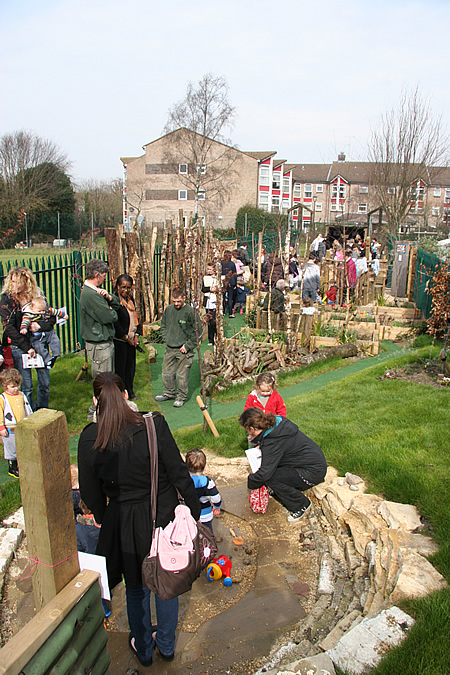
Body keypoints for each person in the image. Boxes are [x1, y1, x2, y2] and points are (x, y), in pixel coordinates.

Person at [78, 372, 200, 667]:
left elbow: (90, 492)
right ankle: (167, 645)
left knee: (136, 587)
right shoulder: (153, 424)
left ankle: (143, 648)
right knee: (166, 582)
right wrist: (193, 514)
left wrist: (107, 518)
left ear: (96, 402)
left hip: (126, 521)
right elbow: (177, 472)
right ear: (125, 395)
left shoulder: (90, 437)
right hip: (163, 515)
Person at [238, 408, 327, 522]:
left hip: (312, 473)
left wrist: (251, 481)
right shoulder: (277, 426)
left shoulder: (272, 441)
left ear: (252, 428)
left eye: (247, 430)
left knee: (271, 478)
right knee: (273, 471)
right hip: (315, 464)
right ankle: (282, 490)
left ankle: (301, 505)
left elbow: (265, 474)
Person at [0, 267, 55, 410]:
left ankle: (43, 411)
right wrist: (27, 348)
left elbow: (50, 318)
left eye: (17, 282)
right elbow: (9, 327)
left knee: (45, 384)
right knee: (27, 386)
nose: (13, 285)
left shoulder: (37, 296)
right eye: (12, 282)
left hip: (39, 344)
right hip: (20, 346)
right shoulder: (7, 299)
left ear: (26, 282)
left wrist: (39, 327)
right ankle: (30, 413)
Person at [80, 259, 120, 421]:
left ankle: (103, 410)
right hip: (99, 344)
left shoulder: (95, 291)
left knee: (107, 379)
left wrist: (109, 298)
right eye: (104, 276)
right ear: (97, 275)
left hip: (102, 342)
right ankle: (95, 412)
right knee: (104, 381)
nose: (105, 279)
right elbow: (110, 316)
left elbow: (116, 306)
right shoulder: (90, 295)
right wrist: (111, 311)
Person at [155, 288, 202, 407]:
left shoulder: (190, 311)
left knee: (182, 375)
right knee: (167, 372)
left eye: (179, 301)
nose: (176, 304)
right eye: (174, 301)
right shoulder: (168, 310)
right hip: (170, 348)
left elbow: (198, 331)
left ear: (184, 299)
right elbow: (163, 325)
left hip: (184, 350)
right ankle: (168, 393)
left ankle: (181, 397)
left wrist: (188, 345)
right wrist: (166, 338)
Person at [113, 274, 142, 401]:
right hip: (120, 340)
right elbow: (115, 323)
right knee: (120, 369)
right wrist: (126, 338)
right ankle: (120, 394)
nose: (126, 290)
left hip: (131, 340)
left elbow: (136, 319)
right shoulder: (115, 301)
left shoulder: (131, 300)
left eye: (128, 288)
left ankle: (130, 392)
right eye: (123, 287)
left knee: (130, 368)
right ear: (118, 286)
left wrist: (136, 335)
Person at [0, 368, 33, 478]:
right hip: (10, 428)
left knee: (22, 446)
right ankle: (12, 467)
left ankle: (21, 464)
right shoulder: (3, 398)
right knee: (11, 448)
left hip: (22, 426)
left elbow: (27, 407)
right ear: (5, 386)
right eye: (12, 387)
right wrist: (1, 427)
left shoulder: (21, 395)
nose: (16, 389)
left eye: (17, 386)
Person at [19, 296, 68, 369]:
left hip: (48, 332)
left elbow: (56, 312)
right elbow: (25, 322)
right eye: (39, 311)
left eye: (43, 311)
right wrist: (24, 329)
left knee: (55, 341)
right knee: (39, 347)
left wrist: (63, 315)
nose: (42, 313)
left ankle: (56, 354)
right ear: (32, 309)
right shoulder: (29, 314)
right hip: (37, 336)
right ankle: (48, 360)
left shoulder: (47, 311)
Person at [185, 448, 222, 533]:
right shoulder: (208, 483)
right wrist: (217, 506)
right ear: (205, 467)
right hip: (205, 515)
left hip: (188, 515)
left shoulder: (184, 482)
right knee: (207, 534)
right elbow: (216, 497)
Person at [201, 264, 218, 346]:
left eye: (211, 269)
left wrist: (216, 289)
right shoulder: (205, 278)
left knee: (215, 320)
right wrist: (210, 289)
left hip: (215, 301)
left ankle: (217, 337)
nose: (209, 271)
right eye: (208, 269)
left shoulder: (218, 278)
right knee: (210, 321)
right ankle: (210, 340)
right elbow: (203, 289)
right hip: (208, 301)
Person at [221, 251, 237, 317]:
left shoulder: (221, 263)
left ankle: (223, 311)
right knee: (230, 298)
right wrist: (235, 284)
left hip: (223, 281)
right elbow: (234, 274)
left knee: (223, 297)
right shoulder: (232, 264)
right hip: (231, 281)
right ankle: (230, 313)